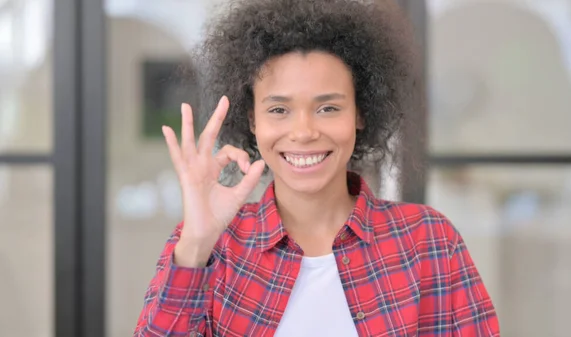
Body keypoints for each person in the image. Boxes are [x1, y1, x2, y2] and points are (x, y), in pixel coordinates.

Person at [134, 0, 500, 336]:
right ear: (252, 120)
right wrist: (197, 244)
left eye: (328, 108)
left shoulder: (429, 243)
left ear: (360, 114)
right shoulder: (213, 246)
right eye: (279, 110)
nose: (305, 132)